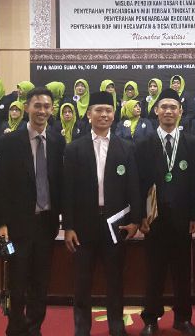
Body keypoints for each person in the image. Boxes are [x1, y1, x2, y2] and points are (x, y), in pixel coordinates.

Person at [62, 90, 141, 336]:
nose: (104, 115)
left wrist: (135, 221)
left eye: (108, 111)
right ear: (89, 114)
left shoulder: (126, 148)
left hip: (115, 225)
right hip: (83, 226)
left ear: (114, 115)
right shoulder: (74, 148)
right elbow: (67, 190)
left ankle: (116, 325)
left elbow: (134, 186)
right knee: (82, 281)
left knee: (115, 279)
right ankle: (81, 328)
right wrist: (68, 226)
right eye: (99, 110)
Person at [0, 86, 65, 336]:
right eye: (37, 106)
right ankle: (15, 328)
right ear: (26, 107)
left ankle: (34, 328)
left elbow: (59, 181)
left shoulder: (57, 141)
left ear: (52, 109)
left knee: (40, 282)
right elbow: (1, 185)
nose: (42, 111)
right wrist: (2, 223)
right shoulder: (10, 141)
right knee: (17, 281)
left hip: (46, 225)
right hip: (17, 227)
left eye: (46, 106)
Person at [136, 88, 195, 336]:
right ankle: (150, 319)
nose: (168, 111)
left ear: (181, 111)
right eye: (164, 107)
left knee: (182, 272)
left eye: (173, 107)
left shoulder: (191, 143)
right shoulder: (143, 144)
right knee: (154, 272)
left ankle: (183, 319)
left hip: (182, 220)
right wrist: (140, 216)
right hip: (154, 220)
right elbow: (138, 183)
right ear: (156, 110)